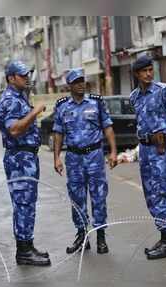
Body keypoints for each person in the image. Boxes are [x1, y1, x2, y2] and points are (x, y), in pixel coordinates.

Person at [129, 55, 166, 260]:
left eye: (150, 69)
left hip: (161, 148)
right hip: (145, 149)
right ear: (137, 74)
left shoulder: (163, 90)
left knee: (163, 191)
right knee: (150, 195)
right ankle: (165, 238)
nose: (148, 73)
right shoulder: (134, 97)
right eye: (144, 71)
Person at [52, 68, 118, 255]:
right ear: (69, 85)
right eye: (76, 81)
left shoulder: (96, 102)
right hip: (73, 158)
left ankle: (101, 236)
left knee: (99, 196)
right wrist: (56, 157)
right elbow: (58, 133)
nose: (81, 84)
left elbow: (108, 127)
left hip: (95, 156)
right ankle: (82, 236)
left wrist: (113, 152)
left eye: (82, 81)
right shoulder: (62, 106)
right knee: (76, 198)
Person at [0, 60, 51, 266]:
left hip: (26, 157)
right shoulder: (9, 100)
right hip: (19, 158)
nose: (27, 78)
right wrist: (35, 112)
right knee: (23, 204)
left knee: (28, 204)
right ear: (11, 78)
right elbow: (15, 129)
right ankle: (23, 251)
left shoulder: (19, 97)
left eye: (28, 74)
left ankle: (27, 245)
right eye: (22, 75)